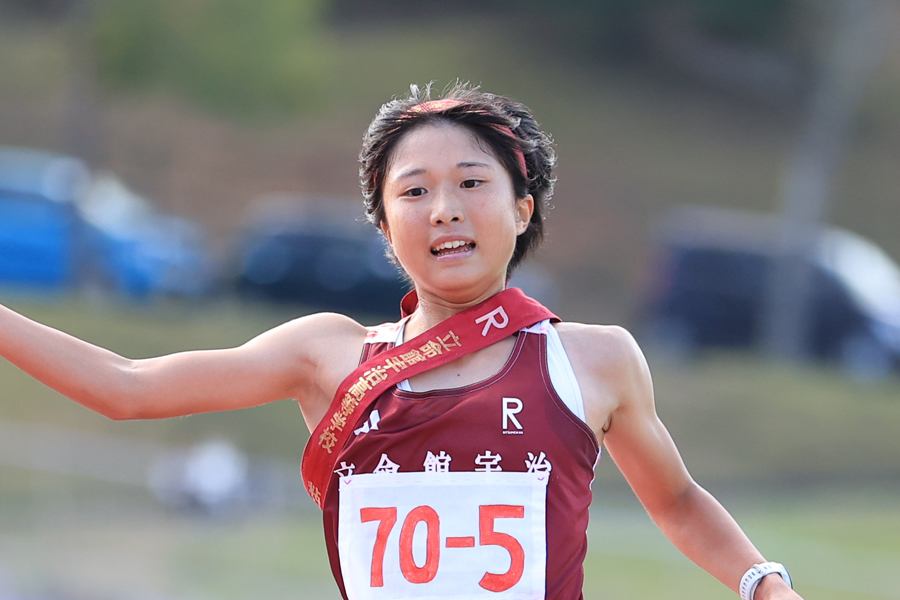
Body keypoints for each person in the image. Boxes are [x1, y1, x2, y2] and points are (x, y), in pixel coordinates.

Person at [0, 83, 803, 600]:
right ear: (386, 231)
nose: (444, 209)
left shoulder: (592, 358)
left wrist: (763, 582)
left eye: (472, 184)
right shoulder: (327, 356)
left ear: (523, 210)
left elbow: (679, 501)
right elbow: (126, 384)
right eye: (414, 192)